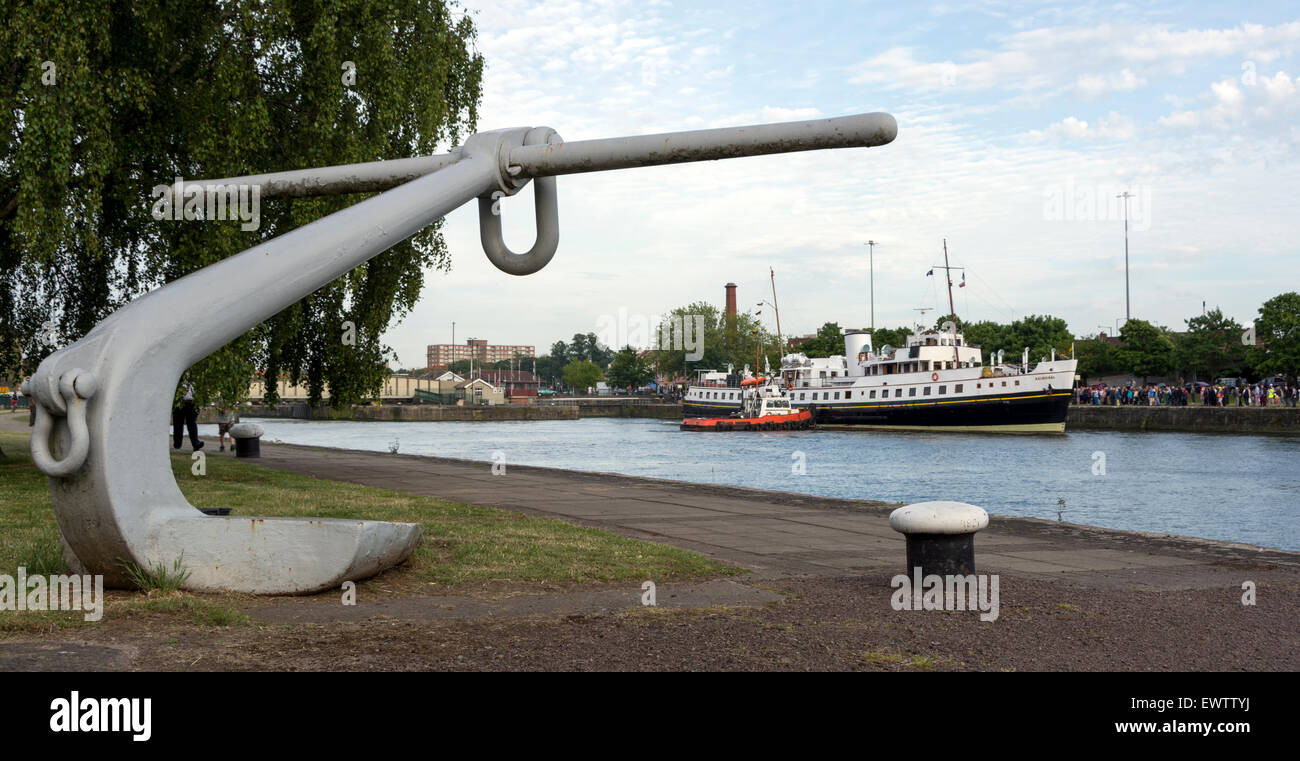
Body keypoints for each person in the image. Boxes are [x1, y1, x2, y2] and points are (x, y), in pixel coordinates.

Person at [172, 377, 204, 451]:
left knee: (192, 424)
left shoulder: (195, 376)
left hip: (191, 402)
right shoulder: (179, 377)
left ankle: (196, 444)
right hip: (179, 402)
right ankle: (177, 445)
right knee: (178, 424)